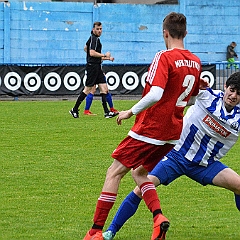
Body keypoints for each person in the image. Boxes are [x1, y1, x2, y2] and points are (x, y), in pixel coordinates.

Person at [83, 12, 203, 240]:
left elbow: (156, 93)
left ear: (165, 33)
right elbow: (194, 95)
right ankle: (158, 217)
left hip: (151, 128)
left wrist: (130, 111)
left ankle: (95, 232)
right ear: (185, 33)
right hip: (172, 133)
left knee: (114, 172)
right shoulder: (196, 62)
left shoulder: (164, 56)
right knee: (140, 173)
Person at [103, 72, 240, 240]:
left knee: (239, 185)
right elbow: (174, 96)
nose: (233, 96)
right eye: (232, 90)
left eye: (239, 93)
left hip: (205, 164)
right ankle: (111, 231)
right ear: (225, 86)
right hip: (175, 156)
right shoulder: (207, 96)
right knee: (141, 188)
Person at [69, 22, 118, 119]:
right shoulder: (94, 39)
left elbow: (86, 49)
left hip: (97, 67)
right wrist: (104, 55)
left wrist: (107, 59)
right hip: (92, 68)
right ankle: (74, 109)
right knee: (87, 90)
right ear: (93, 29)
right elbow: (91, 53)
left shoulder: (94, 39)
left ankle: (107, 112)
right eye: (98, 29)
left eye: (101, 29)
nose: (100, 31)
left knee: (104, 89)